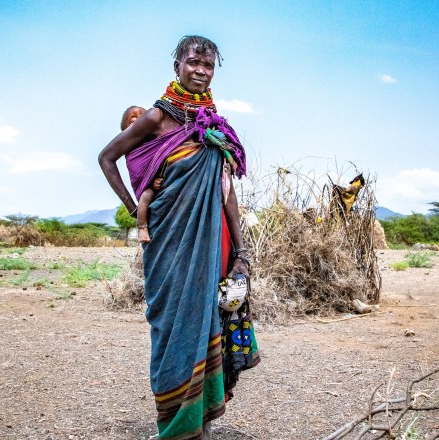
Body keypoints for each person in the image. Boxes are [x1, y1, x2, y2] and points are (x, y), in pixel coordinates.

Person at [99, 36, 260, 440]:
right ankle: (174, 421)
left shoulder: (215, 126)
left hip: (210, 244)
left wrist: (241, 250)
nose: (201, 70)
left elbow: (226, 191)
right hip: (167, 244)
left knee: (210, 322)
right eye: (193, 63)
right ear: (177, 66)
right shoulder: (157, 118)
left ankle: (199, 421)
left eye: (208, 66)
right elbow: (107, 157)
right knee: (171, 328)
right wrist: (137, 207)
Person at [120, 106, 156, 243]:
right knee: (147, 195)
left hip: (163, 183)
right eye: (132, 120)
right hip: (146, 185)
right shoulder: (130, 146)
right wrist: (152, 181)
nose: (138, 121)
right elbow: (138, 171)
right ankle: (142, 227)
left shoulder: (156, 142)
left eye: (143, 117)